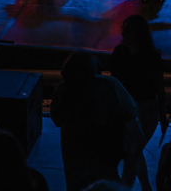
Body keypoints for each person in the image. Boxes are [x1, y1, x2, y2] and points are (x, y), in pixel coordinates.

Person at [51, 52, 143, 191]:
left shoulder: (64, 90)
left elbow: (57, 119)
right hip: (104, 166)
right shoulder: (111, 87)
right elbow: (136, 135)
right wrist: (126, 184)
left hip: (77, 167)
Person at [110, 16, 166, 191]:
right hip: (128, 109)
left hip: (146, 109)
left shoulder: (151, 57)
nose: (125, 35)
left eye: (129, 32)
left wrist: (162, 115)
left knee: (133, 152)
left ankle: (128, 187)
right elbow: (114, 84)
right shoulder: (120, 53)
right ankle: (145, 186)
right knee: (134, 151)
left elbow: (159, 88)